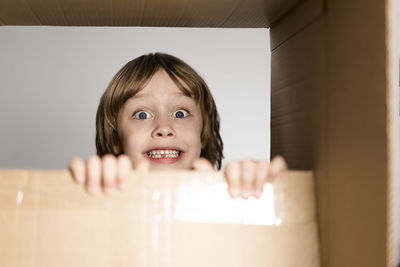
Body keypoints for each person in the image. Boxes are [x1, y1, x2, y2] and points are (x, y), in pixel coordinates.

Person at [68, 52, 286, 199]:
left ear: (202, 134)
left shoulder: (229, 195)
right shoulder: (101, 198)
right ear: (115, 138)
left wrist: (254, 187)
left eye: (180, 113)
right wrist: (90, 189)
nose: (164, 127)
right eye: (142, 114)